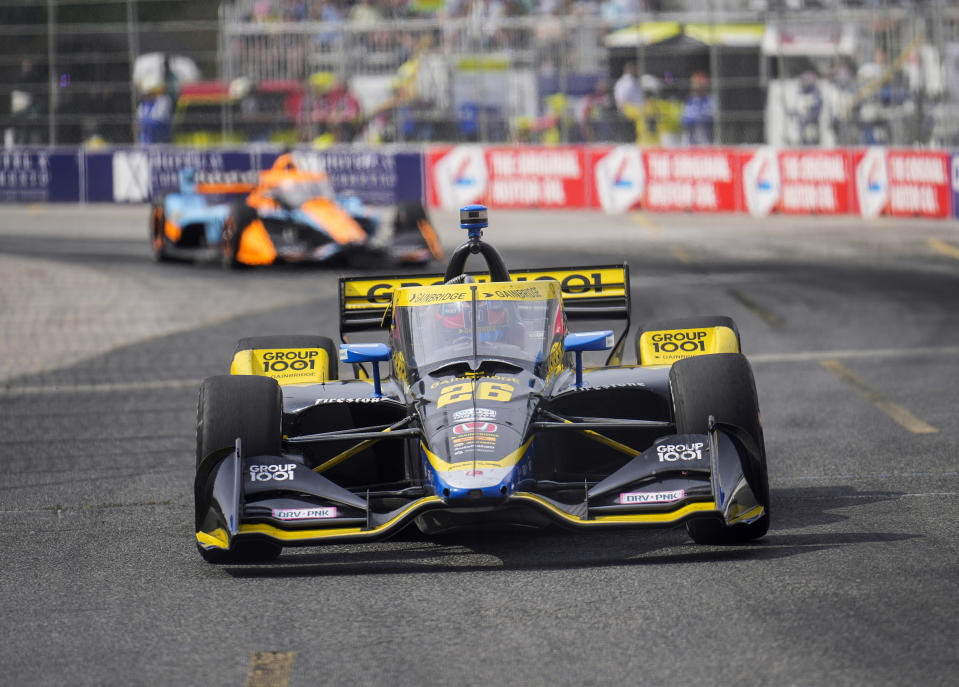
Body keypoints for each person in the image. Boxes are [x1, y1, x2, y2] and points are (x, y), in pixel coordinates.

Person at [136, 74, 173, 144]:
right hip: (145, 145)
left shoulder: (164, 101)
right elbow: (138, 121)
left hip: (161, 143)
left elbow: (158, 120)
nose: (147, 96)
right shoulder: (143, 105)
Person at [680, 71, 715, 145]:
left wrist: (699, 117)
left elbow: (712, 117)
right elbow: (684, 119)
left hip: (706, 138)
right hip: (691, 139)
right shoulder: (689, 100)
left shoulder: (711, 99)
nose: (698, 85)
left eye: (701, 83)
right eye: (696, 83)